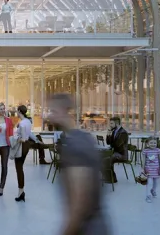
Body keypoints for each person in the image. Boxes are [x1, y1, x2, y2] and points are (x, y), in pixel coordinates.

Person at [48, 93, 110, 234]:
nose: (49, 117)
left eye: (53, 111)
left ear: (65, 111)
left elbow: (80, 204)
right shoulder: (83, 139)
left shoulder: (75, 146)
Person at [12, 104, 41, 202]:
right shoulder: (28, 121)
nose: (16, 112)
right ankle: (21, 192)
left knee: (19, 169)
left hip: (21, 146)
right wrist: (36, 140)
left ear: (19, 111)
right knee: (20, 168)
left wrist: (17, 138)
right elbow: (30, 134)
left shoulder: (22, 123)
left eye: (17, 110)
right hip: (26, 146)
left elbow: (23, 138)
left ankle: (21, 192)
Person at [104, 116, 129, 183]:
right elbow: (108, 142)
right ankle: (109, 177)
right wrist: (108, 135)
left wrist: (112, 143)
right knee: (103, 157)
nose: (110, 125)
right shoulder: (114, 131)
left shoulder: (123, 133)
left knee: (107, 159)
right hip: (115, 152)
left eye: (111, 123)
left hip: (121, 154)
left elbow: (117, 145)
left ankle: (112, 178)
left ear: (117, 123)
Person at [141, 136, 160, 202]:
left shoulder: (158, 150)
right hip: (148, 170)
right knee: (149, 183)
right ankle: (148, 196)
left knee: (155, 183)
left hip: (156, 169)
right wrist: (142, 168)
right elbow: (143, 160)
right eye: (151, 143)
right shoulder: (145, 151)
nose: (153, 144)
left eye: (154, 143)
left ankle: (153, 190)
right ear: (147, 144)